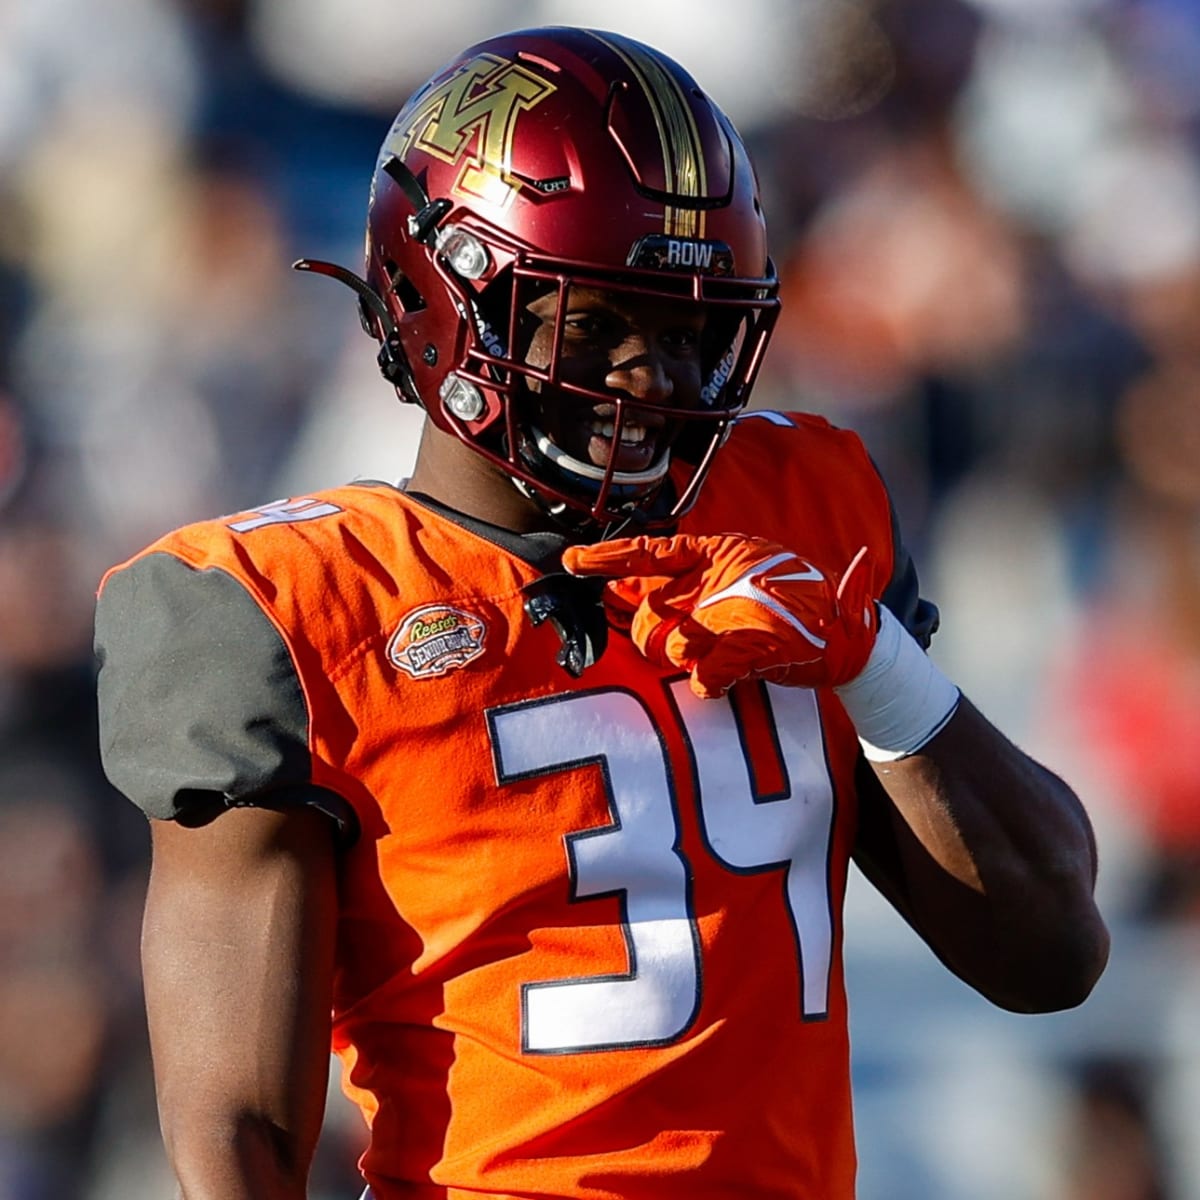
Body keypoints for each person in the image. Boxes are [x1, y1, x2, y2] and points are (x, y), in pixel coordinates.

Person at [93, 26, 1109, 1200]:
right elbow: (238, 1137)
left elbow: (1052, 952)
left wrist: (873, 658)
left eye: (691, 331)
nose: (652, 379)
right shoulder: (294, 607)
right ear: (443, 297)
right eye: (596, 324)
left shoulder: (799, 513)